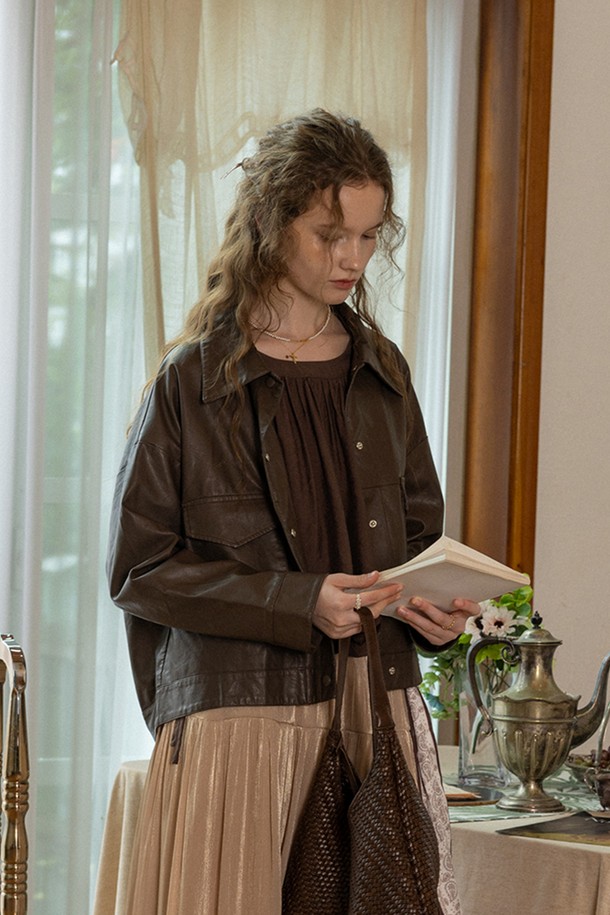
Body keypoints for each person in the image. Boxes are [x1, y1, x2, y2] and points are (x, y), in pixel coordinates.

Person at [107, 109, 479, 915]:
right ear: (274, 227)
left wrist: (433, 612)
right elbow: (139, 570)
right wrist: (298, 600)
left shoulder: (384, 373)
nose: (354, 257)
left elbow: (417, 545)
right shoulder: (192, 382)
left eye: (370, 236)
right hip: (239, 721)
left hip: (372, 711)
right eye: (329, 234)